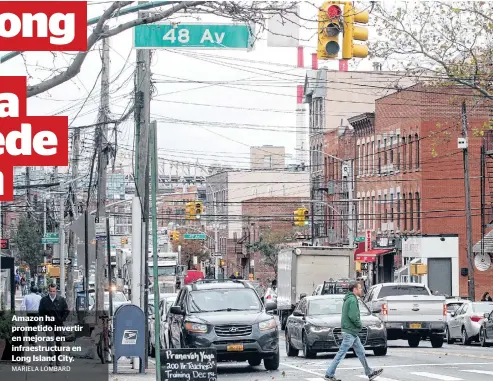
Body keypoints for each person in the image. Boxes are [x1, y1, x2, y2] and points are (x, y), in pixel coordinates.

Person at [324, 281, 383, 381]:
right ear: (354, 290)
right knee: (341, 353)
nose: (361, 290)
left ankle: (369, 373)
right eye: (359, 288)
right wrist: (359, 325)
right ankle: (329, 374)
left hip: (352, 332)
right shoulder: (352, 300)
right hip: (350, 332)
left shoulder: (349, 299)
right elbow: (353, 316)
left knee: (361, 352)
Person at [38, 284, 69, 367]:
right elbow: (40, 312)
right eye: (51, 291)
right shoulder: (44, 300)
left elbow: (66, 310)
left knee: (58, 342)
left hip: (58, 324)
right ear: (48, 291)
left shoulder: (61, 300)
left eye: (54, 291)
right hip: (48, 324)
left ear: (56, 291)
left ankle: (58, 359)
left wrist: (62, 319)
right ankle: (51, 360)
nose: (52, 293)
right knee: (50, 342)